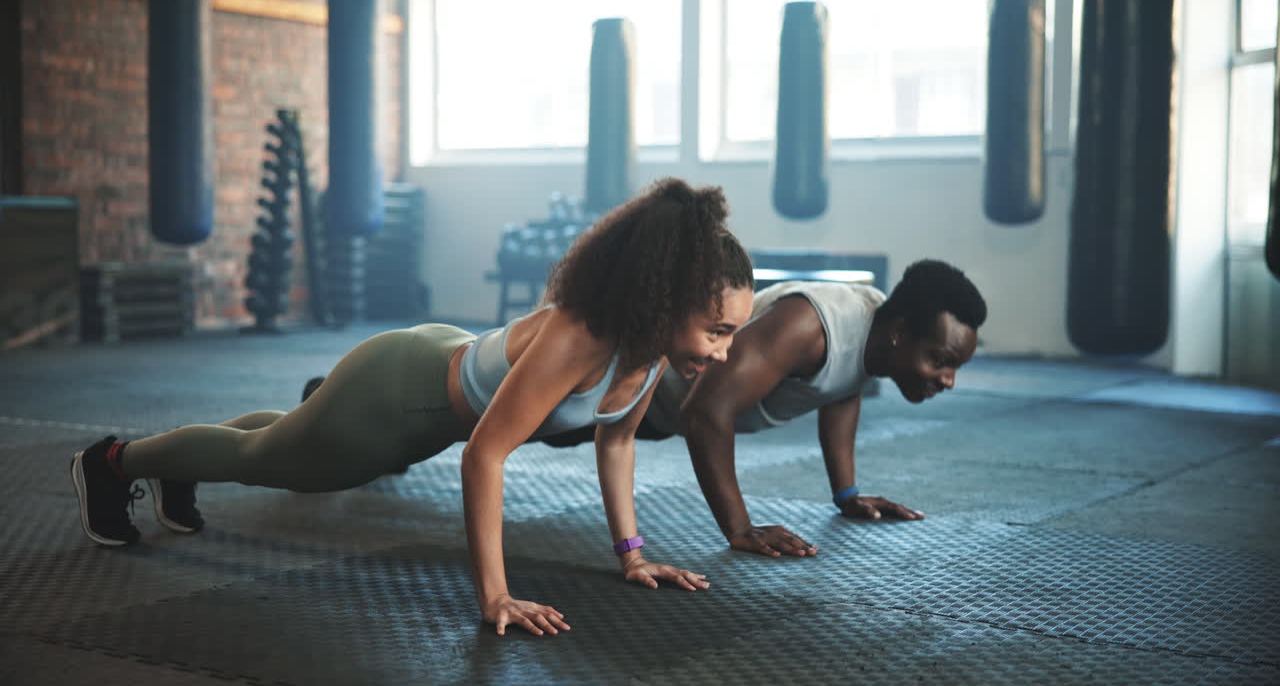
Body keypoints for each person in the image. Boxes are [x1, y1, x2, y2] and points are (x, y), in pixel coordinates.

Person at [69, 177, 757, 637]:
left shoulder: (649, 346)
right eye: (717, 330)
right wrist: (495, 597)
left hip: (437, 369)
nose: (723, 352)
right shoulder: (582, 338)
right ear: (665, 300)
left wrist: (633, 556)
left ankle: (182, 462)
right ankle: (112, 461)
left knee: (281, 438)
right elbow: (486, 454)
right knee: (270, 461)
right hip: (400, 395)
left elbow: (616, 442)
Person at [537, 259, 987, 558]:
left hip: (650, 411)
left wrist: (847, 494)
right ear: (901, 333)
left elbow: (841, 388)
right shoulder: (807, 327)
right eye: (941, 362)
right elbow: (704, 414)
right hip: (602, 380)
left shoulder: (880, 330)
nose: (947, 381)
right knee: (487, 414)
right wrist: (740, 528)